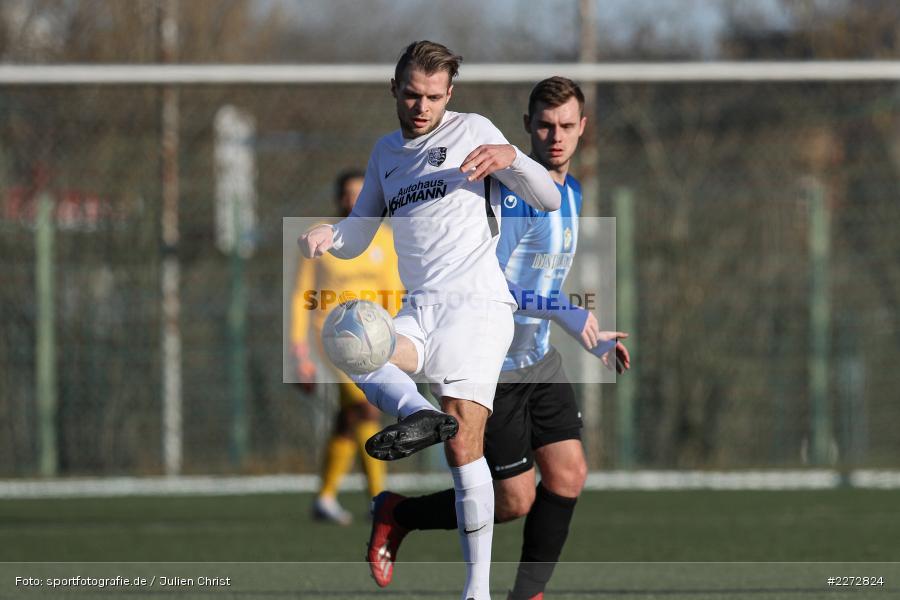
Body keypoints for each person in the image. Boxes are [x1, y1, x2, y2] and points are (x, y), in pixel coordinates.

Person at [298, 41, 560, 600]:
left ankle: (476, 592)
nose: (423, 107)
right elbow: (359, 232)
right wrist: (329, 234)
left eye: (434, 97)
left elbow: (549, 198)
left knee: (463, 448)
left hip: (477, 308)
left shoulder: (473, 130)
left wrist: (514, 158)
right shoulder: (385, 153)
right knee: (345, 337)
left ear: (451, 95)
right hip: (422, 309)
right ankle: (417, 412)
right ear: (394, 90)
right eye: (413, 95)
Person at [364, 77, 631, 600]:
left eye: (567, 126)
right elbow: (494, 284)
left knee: (570, 473)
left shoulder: (569, 193)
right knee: (514, 501)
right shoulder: (510, 195)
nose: (556, 136)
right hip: (490, 361)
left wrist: (588, 332)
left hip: (537, 356)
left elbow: (544, 280)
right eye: (545, 125)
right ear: (527, 126)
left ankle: (527, 594)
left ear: (583, 129)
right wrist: (566, 313)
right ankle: (400, 513)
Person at [291, 169, 403, 525]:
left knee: (350, 418)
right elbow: (300, 296)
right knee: (367, 410)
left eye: (360, 193)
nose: (353, 200)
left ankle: (325, 498)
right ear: (338, 198)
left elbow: (395, 294)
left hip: (377, 340)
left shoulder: (384, 240)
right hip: (335, 338)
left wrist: (401, 341)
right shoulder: (319, 239)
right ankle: (378, 500)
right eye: (347, 194)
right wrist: (298, 350)